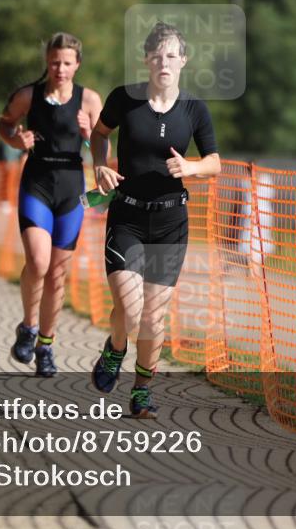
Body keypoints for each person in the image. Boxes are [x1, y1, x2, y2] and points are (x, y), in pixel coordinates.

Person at [89, 22, 221, 417]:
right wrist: (99, 165)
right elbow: (98, 134)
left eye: (171, 55)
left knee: (153, 313)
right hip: (127, 215)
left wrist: (191, 169)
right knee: (127, 309)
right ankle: (115, 348)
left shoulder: (194, 110)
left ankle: (142, 390)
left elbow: (215, 162)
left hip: (170, 222)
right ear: (146, 59)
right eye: (157, 55)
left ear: (183, 61)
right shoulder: (124, 99)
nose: (164, 61)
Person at [0, 32, 103, 377]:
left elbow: (104, 148)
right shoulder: (29, 95)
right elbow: (4, 122)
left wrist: (90, 136)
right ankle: (27, 327)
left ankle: (45, 344)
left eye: (67, 63)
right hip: (37, 183)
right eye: (55, 61)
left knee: (58, 274)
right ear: (48, 61)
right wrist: (16, 139)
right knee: (38, 262)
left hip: (72, 187)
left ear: (77, 65)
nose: (60, 68)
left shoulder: (89, 101)